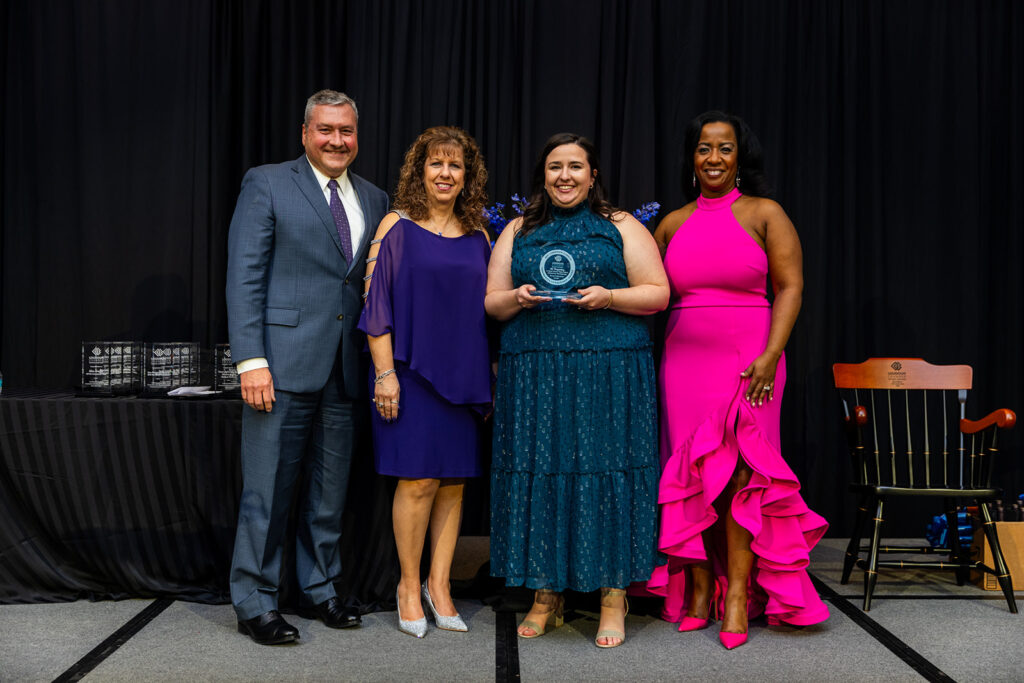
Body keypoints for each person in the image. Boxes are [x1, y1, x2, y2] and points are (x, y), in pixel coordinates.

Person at [648, 111, 829, 650]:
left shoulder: (765, 213)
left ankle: (737, 597)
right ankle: (700, 589)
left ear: (739, 157)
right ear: (692, 157)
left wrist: (772, 354)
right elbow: (647, 291)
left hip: (750, 360)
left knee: (741, 476)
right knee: (692, 476)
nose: (714, 158)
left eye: (724, 148)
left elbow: (791, 287)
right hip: (683, 361)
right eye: (704, 148)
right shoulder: (671, 224)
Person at [486, 133, 669, 649]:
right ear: (543, 175)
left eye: (575, 166)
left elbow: (658, 293)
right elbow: (492, 302)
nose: (564, 176)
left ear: (593, 175)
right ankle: (546, 594)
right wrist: (517, 298)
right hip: (536, 372)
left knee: (607, 470)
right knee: (542, 471)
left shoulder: (622, 225)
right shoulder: (519, 229)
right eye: (554, 167)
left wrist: (610, 296)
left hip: (608, 370)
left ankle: (613, 596)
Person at [226, 89, 389, 645]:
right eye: (326, 130)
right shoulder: (267, 183)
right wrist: (251, 360)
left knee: (329, 493)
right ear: (305, 134)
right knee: (267, 493)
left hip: (345, 369)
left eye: (346, 131)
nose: (336, 140)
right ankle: (255, 601)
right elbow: (244, 276)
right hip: (279, 366)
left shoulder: (375, 197)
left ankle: (320, 588)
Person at [358, 126, 492, 638]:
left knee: (453, 484)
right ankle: (409, 587)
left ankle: (441, 585)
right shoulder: (395, 226)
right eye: (436, 163)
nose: (445, 173)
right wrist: (385, 374)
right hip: (409, 374)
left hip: (464, 376)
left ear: (467, 176)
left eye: (455, 165)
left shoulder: (480, 235)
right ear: (420, 171)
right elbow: (375, 307)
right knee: (417, 482)